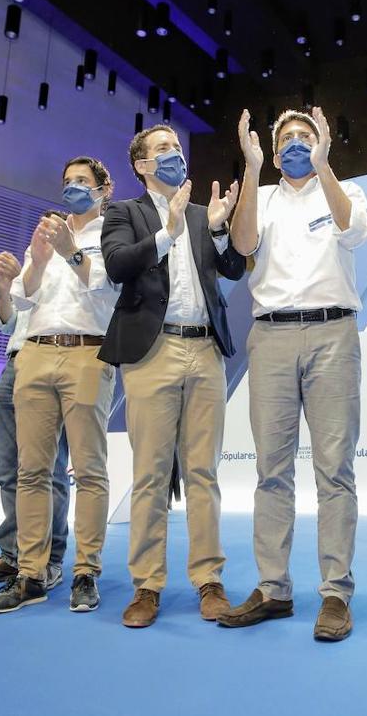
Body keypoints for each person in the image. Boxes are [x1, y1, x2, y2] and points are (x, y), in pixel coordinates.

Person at [216, 106, 367, 641]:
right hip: (272, 337)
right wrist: (251, 166)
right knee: (271, 470)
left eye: (306, 137)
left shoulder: (344, 192)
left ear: (324, 142)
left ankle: (335, 594)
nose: (296, 145)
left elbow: (353, 232)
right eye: (288, 138)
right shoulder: (258, 195)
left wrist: (325, 166)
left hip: (333, 334)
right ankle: (273, 588)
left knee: (335, 469)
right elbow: (241, 247)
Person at [100, 124, 246, 628]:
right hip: (152, 350)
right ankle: (147, 584)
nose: (173, 155)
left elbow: (233, 269)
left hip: (205, 349)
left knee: (203, 472)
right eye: (162, 150)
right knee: (151, 475)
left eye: (177, 148)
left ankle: (210, 579)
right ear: (140, 165)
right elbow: (118, 265)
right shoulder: (124, 212)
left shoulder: (207, 214)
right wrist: (169, 230)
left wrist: (221, 228)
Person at [0, 159, 121, 614]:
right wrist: (20, 274)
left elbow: (109, 291)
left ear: (105, 188)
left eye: (83, 181)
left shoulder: (114, 229)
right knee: (31, 470)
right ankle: (30, 573)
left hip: (88, 350)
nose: (73, 188)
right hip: (36, 350)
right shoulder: (45, 231)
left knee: (88, 469)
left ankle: (86, 571)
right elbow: (22, 301)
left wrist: (70, 251)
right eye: (67, 182)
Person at [0, 245, 72, 592]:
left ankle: (48, 558)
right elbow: (8, 324)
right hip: (13, 364)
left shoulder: (68, 264)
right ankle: (13, 554)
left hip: (53, 359)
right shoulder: (28, 268)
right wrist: (3, 286)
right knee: (9, 470)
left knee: (48, 470)